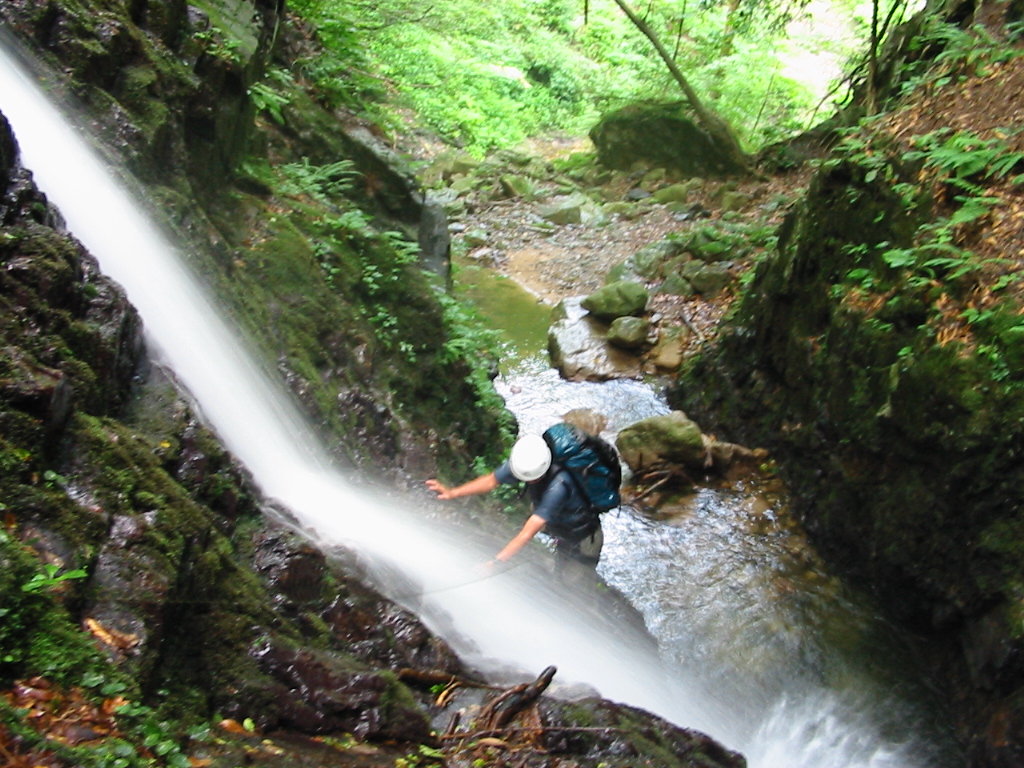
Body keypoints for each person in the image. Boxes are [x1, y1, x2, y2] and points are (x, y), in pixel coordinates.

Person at [425, 433, 603, 574]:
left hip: (583, 537)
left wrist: (496, 563)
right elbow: (491, 481)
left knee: (573, 582)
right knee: (559, 569)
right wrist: (452, 492)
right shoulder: (525, 461)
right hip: (560, 528)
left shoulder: (559, 487)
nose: (527, 481)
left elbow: (527, 533)